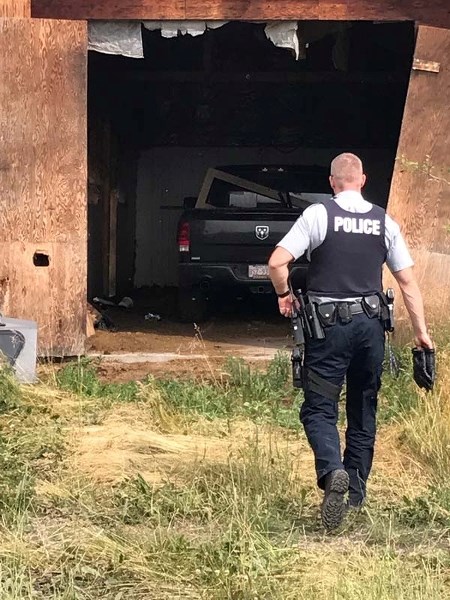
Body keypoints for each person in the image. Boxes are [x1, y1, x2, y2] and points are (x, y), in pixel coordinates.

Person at [268, 153, 433, 530]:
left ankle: (332, 471)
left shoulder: (318, 215)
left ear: (332, 182)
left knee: (319, 407)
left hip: (329, 330)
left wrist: (284, 295)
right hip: (372, 328)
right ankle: (355, 491)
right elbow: (407, 283)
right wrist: (422, 335)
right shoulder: (383, 221)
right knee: (363, 405)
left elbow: (278, 262)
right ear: (363, 180)